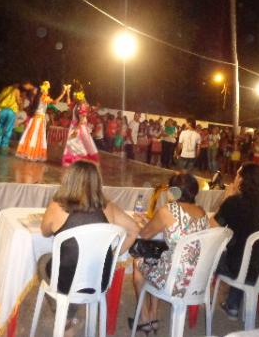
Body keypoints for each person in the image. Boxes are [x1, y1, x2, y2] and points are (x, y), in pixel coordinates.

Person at [38, 161, 139, 329]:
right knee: (80, 268)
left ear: (69, 179)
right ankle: (69, 314)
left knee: (43, 261)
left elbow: (44, 232)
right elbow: (134, 230)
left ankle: (63, 314)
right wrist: (114, 257)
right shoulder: (109, 208)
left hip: (66, 281)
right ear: (97, 182)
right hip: (98, 279)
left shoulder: (57, 206)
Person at [131, 173, 209, 334]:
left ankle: (146, 318)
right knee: (157, 259)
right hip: (197, 278)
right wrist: (149, 221)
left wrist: (139, 222)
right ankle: (154, 315)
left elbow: (145, 234)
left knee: (138, 262)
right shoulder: (201, 212)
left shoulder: (168, 210)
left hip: (174, 280)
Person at [211, 163, 259, 319]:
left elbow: (212, 226)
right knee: (246, 251)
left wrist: (227, 197)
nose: (235, 178)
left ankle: (197, 294)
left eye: (237, 175)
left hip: (240, 267)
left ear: (242, 179)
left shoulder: (234, 202)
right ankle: (233, 305)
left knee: (216, 255)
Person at [16, 81, 68, 161]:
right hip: (38, 120)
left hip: (36, 119)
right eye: (47, 89)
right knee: (36, 136)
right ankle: (31, 154)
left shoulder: (38, 97)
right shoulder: (43, 97)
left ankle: (28, 152)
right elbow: (55, 102)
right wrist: (63, 93)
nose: (48, 91)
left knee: (32, 135)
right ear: (44, 90)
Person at [62, 90, 100, 167]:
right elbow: (68, 103)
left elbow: (82, 119)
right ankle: (74, 160)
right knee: (73, 143)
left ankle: (79, 160)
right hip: (75, 126)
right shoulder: (76, 105)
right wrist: (68, 92)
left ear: (79, 97)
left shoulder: (82, 105)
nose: (74, 97)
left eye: (75, 96)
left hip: (79, 127)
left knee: (76, 143)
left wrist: (76, 129)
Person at [0, 82, 31, 151]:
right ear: (16, 84)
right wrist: (21, 103)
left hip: (2, 110)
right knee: (8, 128)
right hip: (11, 111)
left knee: (0, 126)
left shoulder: (4, 89)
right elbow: (18, 101)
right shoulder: (16, 90)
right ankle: (4, 145)